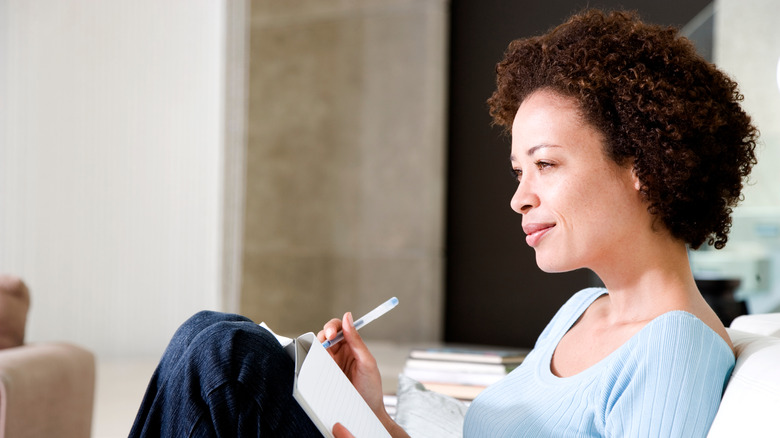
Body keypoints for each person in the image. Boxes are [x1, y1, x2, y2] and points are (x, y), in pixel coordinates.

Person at [129, 9, 758, 437]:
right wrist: (373, 414)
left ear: (640, 166)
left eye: (544, 165)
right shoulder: (581, 310)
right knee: (217, 338)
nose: (519, 198)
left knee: (225, 355)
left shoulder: (676, 349)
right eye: (519, 172)